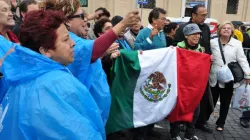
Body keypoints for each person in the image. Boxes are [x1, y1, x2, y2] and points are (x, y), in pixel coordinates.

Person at [0, 9, 106, 139]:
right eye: (66, 39)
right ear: (45, 51)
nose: (73, 44)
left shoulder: (17, 80)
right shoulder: (59, 84)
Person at [175, 5, 213, 133]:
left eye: (206, 15)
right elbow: (178, 50)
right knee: (184, 98)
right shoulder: (182, 28)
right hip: (185, 74)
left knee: (201, 97)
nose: (205, 18)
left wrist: (208, 58)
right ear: (193, 15)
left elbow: (207, 47)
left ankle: (199, 123)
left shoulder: (206, 28)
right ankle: (180, 123)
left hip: (200, 72)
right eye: (202, 15)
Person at [209, 21, 250, 131]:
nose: (226, 30)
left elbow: (242, 59)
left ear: (232, 31)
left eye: (228, 28)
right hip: (214, 76)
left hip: (229, 78)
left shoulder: (237, 44)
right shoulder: (212, 42)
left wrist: (248, 74)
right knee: (210, 101)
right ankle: (203, 120)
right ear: (219, 30)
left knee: (225, 102)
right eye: (224, 28)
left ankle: (221, 123)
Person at [170, 23, 204, 140]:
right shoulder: (178, 49)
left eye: (198, 33)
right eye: (193, 34)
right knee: (177, 110)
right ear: (186, 36)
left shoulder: (201, 50)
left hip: (194, 87)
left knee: (195, 112)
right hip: (180, 86)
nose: (196, 36)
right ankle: (174, 134)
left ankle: (189, 135)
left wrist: (209, 59)